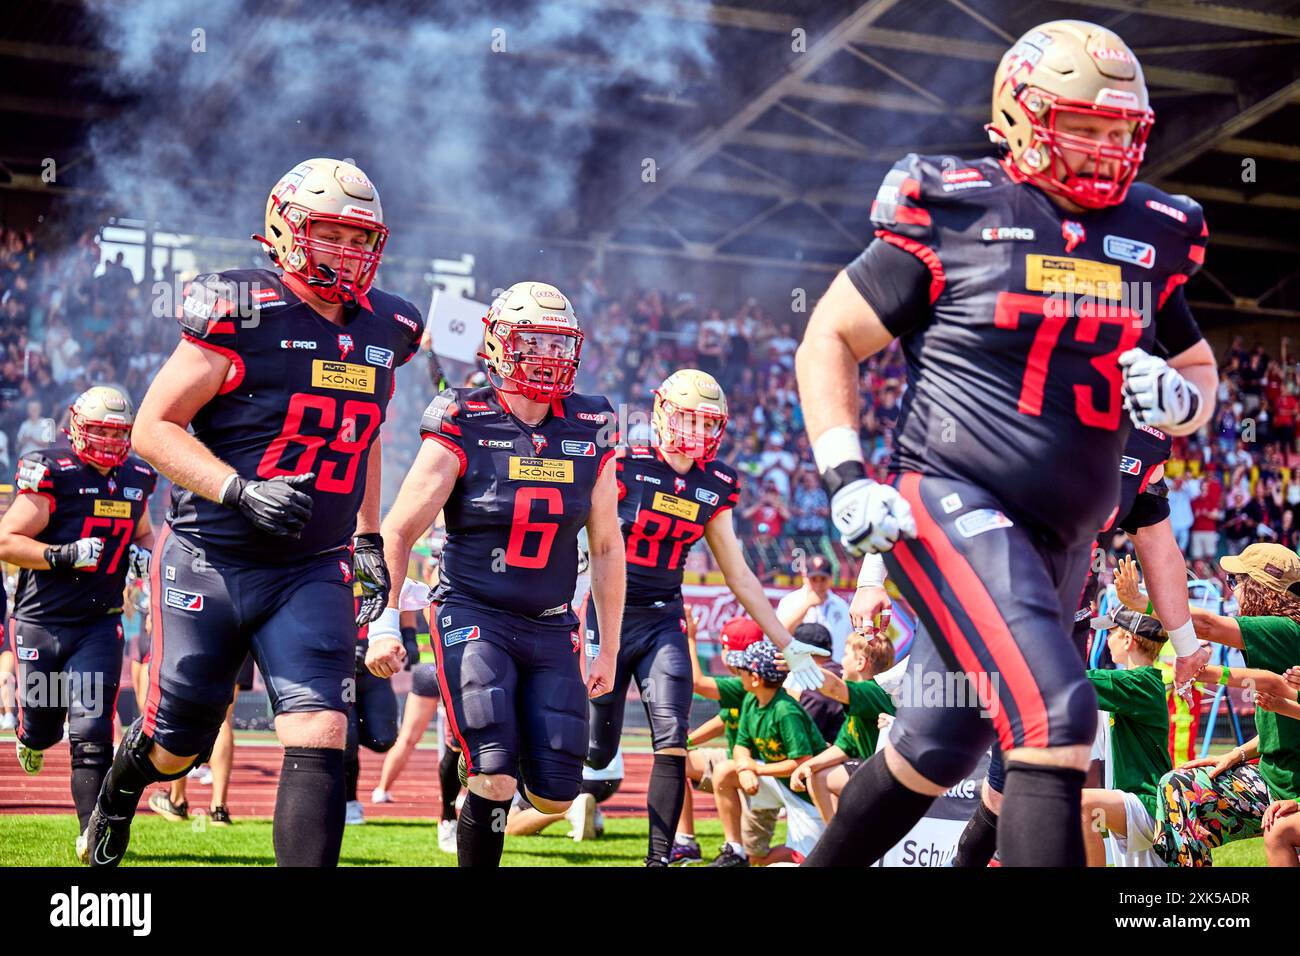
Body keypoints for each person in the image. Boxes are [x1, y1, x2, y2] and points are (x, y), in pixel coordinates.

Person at [795, 20, 1218, 867]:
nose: (1103, 148)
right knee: (1058, 718)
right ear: (1021, 115)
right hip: (953, 498)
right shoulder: (956, 206)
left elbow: (1198, 364)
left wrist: (1184, 404)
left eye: (1117, 130)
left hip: (1064, 538)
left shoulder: (1154, 229)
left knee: (939, 747)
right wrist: (845, 474)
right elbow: (829, 338)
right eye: (1083, 125)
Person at [86, 158, 421, 868]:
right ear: (286, 230)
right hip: (213, 558)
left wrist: (366, 531)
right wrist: (239, 488)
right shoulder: (242, 306)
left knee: (321, 730)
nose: (348, 253)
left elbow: (363, 438)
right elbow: (152, 427)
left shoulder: (390, 326)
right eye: (330, 233)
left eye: (361, 239)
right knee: (177, 750)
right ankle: (121, 789)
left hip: (310, 567)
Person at [368, 281, 625, 869]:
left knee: (557, 792)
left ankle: (490, 775)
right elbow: (399, 529)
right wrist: (384, 622)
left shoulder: (593, 421)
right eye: (531, 341)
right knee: (493, 767)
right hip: (473, 612)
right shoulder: (463, 414)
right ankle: (479, 771)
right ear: (497, 344)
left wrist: (606, 648)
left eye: (558, 344)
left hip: (551, 621)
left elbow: (607, 546)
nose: (546, 356)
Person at [585, 368, 828, 865]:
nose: (696, 431)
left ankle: (657, 859)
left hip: (663, 620)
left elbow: (739, 575)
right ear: (659, 414)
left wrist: (787, 642)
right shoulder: (622, 463)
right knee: (595, 751)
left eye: (706, 422)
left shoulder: (716, 484)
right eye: (687, 419)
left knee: (672, 740)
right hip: (608, 616)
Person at [0, 386, 156, 861]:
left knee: (92, 732)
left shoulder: (137, 476)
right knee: (44, 729)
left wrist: (141, 557)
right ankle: (30, 735)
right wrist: (60, 555)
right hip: (41, 622)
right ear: (76, 427)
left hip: (97, 623)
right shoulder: (53, 470)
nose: (109, 441)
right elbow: (7, 541)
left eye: (117, 432)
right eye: (101, 430)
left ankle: (92, 835)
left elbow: (145, 532)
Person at [1153, 543, 1300, 866]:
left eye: (1235, 581)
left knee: (1177, 789)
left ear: (1260, 588)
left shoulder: (1283, 629)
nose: (1231, 590)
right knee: (1178, 786)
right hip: (1273, 780)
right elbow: (1286, 724)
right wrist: (1236, 754)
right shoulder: (1281, 632)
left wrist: (1140, 602)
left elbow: (1205, 625)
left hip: (1288, 789)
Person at [713, 641, 828, 866]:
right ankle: (735, 850)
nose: (739, 675)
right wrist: (744, 767)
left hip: (806, 792)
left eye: (742, 671)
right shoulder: (750, 699)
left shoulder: (785, 710)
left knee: (813, 860)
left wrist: (755, 768)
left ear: (756, 678)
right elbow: (741, 744)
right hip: (779, 781)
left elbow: (802, 763)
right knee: (724, 771)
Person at [677, 612, 763, 865]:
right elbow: (726, 720)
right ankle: (685, 841)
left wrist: (690, 638)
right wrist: (686, 743)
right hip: (740, 762)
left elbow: (697, 682)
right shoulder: (746, 681)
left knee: (761, 858)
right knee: (676, 760)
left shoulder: (748, 684)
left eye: (724, 646)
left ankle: (733, 847)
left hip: (754, 769)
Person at [790, 632, 897, 823]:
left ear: (861, 663)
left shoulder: (875, 690)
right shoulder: (864, 698)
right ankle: (844, 844)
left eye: (846, 654)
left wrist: (803, 665)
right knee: (817, 775)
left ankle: (839, 846)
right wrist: (808, 764)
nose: (841, 661)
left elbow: (834, 688)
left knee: (820, 779)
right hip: (878, 776)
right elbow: (845, 746)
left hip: (891, 782)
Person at [776, 554, 852, 661]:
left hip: (834, 668)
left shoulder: (841, 606)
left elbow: (849, 640)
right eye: (814, 579)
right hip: (798, 666)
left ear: (831, 579)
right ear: (805, 578)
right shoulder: (790, 601)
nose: (818, 584)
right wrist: (807, 605)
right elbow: (780, 634)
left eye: (823, 579)